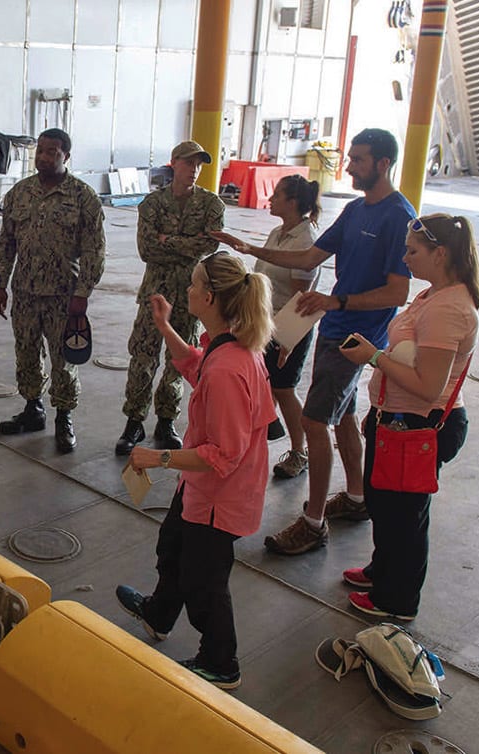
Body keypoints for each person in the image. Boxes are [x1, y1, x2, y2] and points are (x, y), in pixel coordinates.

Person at [213, 128, 414, 556]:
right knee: (343, 417)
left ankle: (313, 522)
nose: (350, 166)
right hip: (334, 328)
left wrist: (337, 300)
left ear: (383, 163)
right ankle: (356, 498)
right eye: (351, 158)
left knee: (314, 422)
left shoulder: (398, 216)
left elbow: (398, 292)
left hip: (357, 337)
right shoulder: (356, 210)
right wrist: (248, 247)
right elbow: (308, 258)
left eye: (359, 159)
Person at [114, 251, 275, 691]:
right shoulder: (228, 347)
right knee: (173, 546)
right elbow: (195, 365)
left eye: (194, 284)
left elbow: (222, 455)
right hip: (201, 488)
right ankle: (159, 613)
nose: (188, 289)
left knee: (204, 580)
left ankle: (221, 661)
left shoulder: (229, 368)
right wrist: (165, 326)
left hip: (220, 496)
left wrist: (156, 458)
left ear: (209, 297)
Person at [337, 214, 479, 621]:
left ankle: (397, 600)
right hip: (398, 419)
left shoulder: (448, 309)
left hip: (419, 425)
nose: (405, 258)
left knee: (403, 517)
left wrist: (374, 357)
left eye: (412, 251)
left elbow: (429, 386)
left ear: (440, 254)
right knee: (386, 505)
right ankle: (382, 571)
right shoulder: (433, 295)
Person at [0, 128, 106, 454]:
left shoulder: (83, 197)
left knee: (63, 360)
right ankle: (33, 409)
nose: (43, 157)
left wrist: (83, 293)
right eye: (40, 150)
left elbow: (95, 250)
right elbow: (7, 243)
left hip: (63, 296)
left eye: (52, 151)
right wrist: (0, 283)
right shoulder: (19, 193)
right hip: (25, 293)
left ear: (65, 156)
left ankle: (64, 417)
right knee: (27, 352)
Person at [115, 140, 226, 456]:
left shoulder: (212, 204)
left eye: (198, 164)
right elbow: (147, 249)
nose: (194, 170)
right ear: (174, 162)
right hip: (156, 292)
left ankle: (166, 421)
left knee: (181, 359)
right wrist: (186, 243)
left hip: (192, 296)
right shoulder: (152, 204)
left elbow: (209, 246)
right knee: (143, 356)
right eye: (188, 163)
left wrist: (168, 240)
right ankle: (134, 421)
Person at [253, 175, 323, 479]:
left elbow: (300, 300)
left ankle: (299, 451)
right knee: (263, 385)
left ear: (292, 202)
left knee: (283, 388)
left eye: (277, 195)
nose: (271, 199)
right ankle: (259, 443)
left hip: (289, 327)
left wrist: (287, 340)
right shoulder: (277, 233)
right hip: (264, 322)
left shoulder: (306, 241)